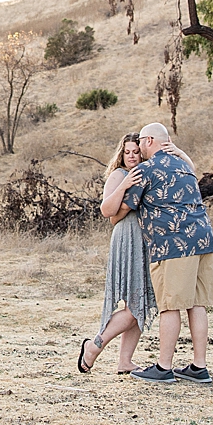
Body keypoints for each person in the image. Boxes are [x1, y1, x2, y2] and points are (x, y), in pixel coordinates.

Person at [129, 123, 213, 384]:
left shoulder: (145, 170)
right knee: (197, 303)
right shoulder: (184, 167)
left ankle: (164, 366)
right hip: (204, 239)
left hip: (174, 243)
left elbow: (126, 205)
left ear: (148, 141)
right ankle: (199, 366)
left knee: (170, 305)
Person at [76, 132, 155, 375]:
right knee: (133, 306)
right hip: (127, 240)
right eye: (127, 152)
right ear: (121, 154)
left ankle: (125, 361)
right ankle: (94, 346)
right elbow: (107, 212)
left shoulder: (147, 174)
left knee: (139, 303)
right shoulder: (118, 175)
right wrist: (124, 184)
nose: (131, 156)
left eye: (135, 152)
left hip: (146, 240)